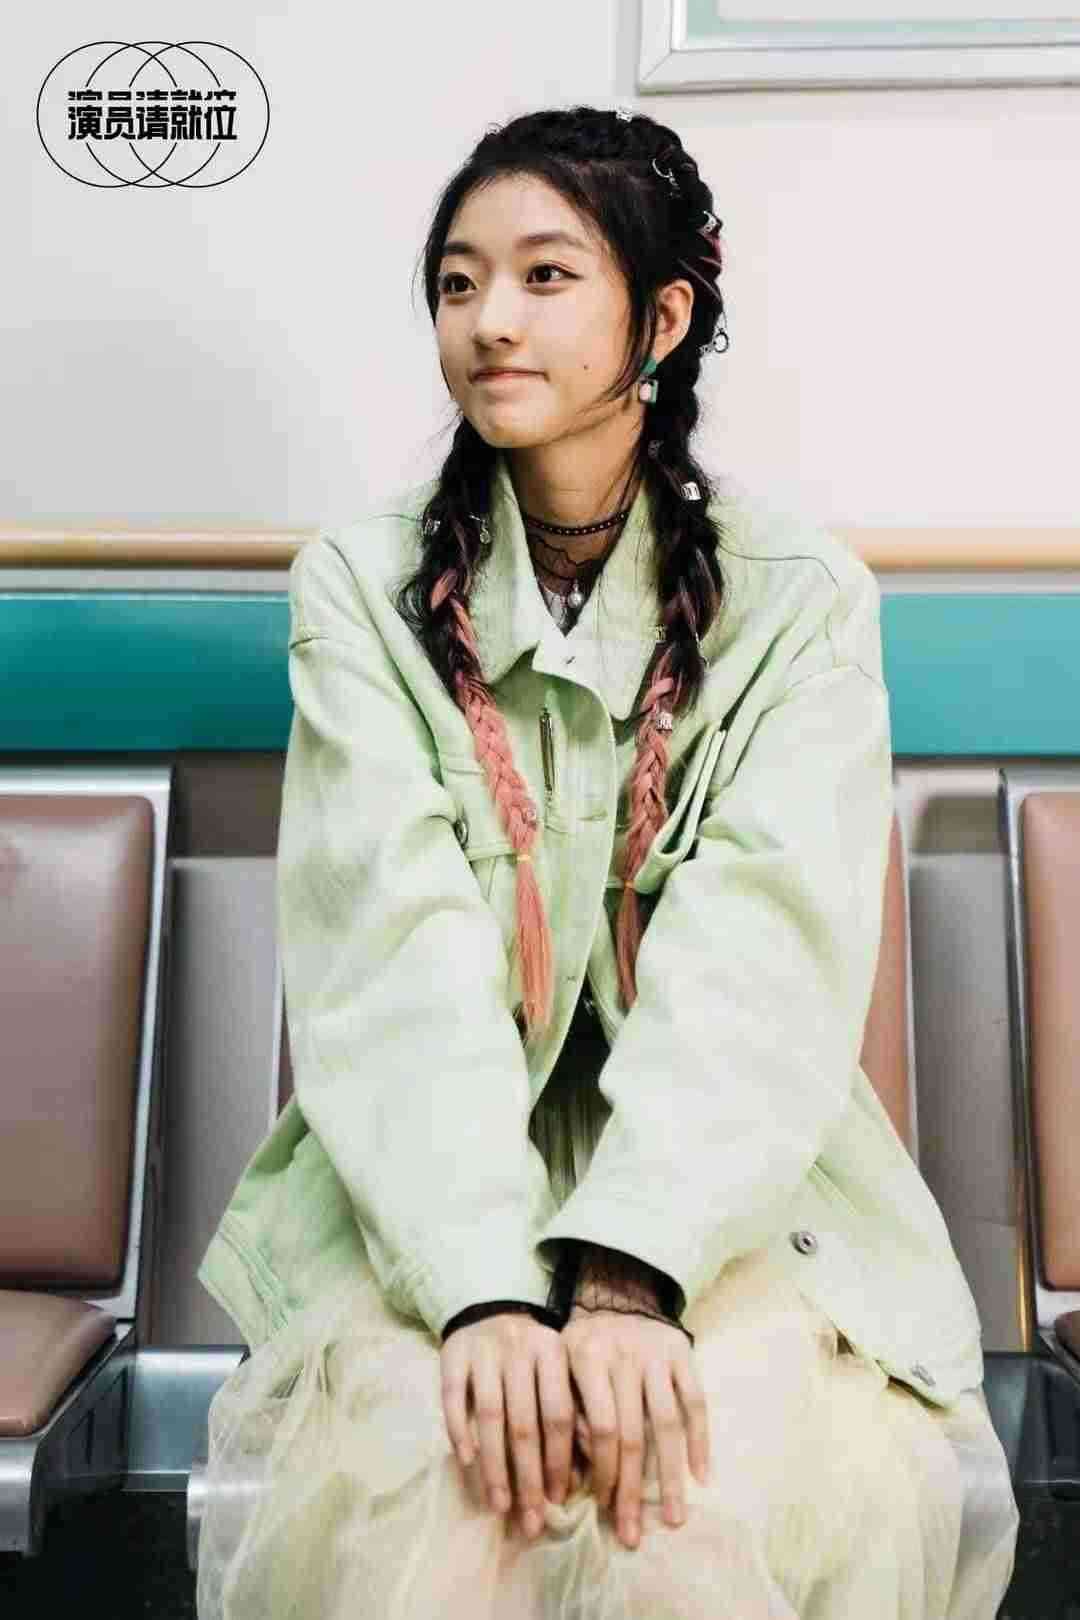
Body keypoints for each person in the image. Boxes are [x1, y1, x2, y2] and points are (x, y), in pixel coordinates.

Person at [194, 105, 1020, 1619]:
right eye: (457, 282)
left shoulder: (800, 602)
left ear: (663, 319)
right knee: (457, 1487)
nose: (489, 321)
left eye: (544, 276)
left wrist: (634, 1277)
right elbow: (388, 957)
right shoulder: (360, 590)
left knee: (681, 1498)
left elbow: (764, 966)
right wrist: (483, 1291)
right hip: (427, 1184)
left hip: (732, 1188)